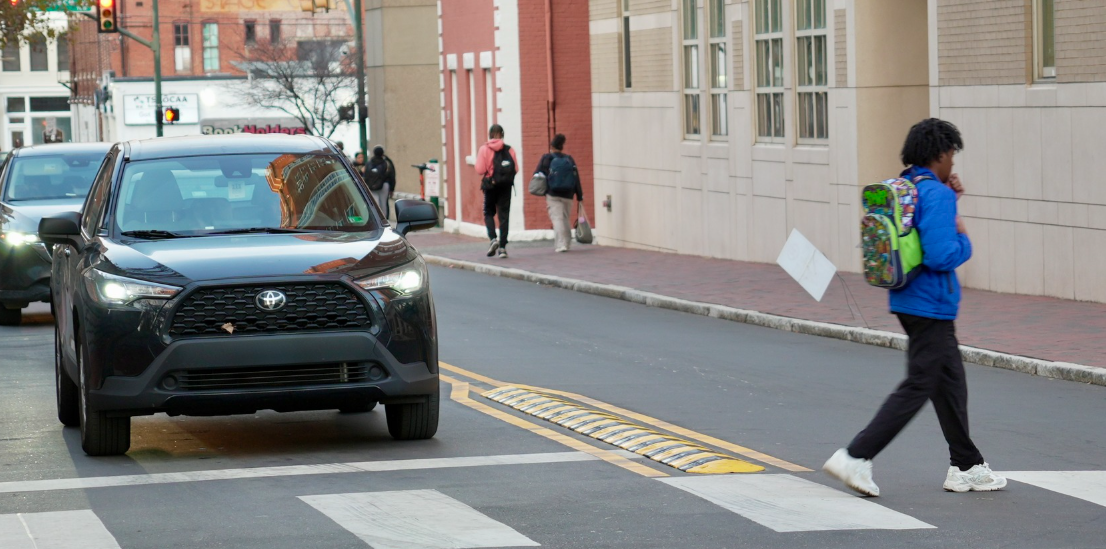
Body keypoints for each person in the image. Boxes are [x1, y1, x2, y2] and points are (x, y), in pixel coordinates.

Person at [822, 118, 1006, 497]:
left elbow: (920, 232)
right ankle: (856, 455)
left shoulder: (906, 187)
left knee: (949, 381)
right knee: (922, 382)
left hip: (908, 298)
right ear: (940, 153)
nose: (953, 163)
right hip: (931, 304)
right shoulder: (936, 195)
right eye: (952, 154)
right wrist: (965, 239)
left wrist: (950, 199)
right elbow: (941, 254)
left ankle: (966, 465)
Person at [533, 134, 583, 253]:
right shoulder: (569, 159)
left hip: (553, 193)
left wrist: (542, 190)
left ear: (551, 146)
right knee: (565, 218)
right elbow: (576, 177)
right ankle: (567, 243)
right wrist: (580, 195)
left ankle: (561, 244)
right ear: (562, 147)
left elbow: (538, 174)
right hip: (568, 194)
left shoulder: (547, 158)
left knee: (557, 218)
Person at [475, 124, 518, 259]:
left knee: (488, 212)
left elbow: (480, 170)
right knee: (504, 215)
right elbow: (515, 169)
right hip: (505, 186)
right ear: (502, 134)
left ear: (490, 134)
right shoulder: (509, 150)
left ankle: (493, 239)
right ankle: (503, 248)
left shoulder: (484, 149)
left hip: (490, 185)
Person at [365, 146, 396, 220]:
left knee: (375, 203)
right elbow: (392, 175)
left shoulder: (369, 163)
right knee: (383, 203)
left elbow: (366, 175)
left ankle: (376, 219)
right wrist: (392, 188)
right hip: (384, 184)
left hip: (371, 186)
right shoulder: (387, 162)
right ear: (382, 153)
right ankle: (384, 220)